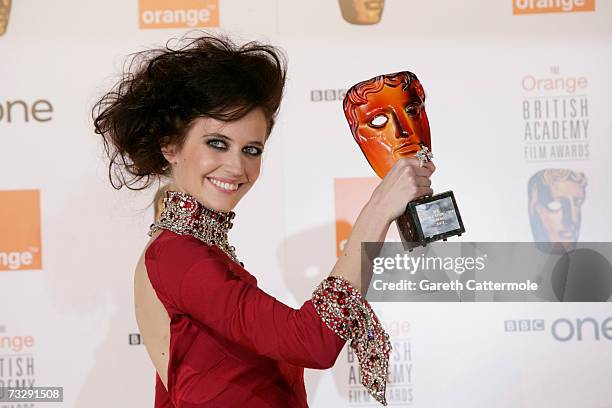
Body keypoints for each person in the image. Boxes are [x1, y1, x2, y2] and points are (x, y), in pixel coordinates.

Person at [92, 33, 434, 407]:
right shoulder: (177, 256)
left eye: (251, 150)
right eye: (217, 143)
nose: (237, 166)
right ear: (170, 146)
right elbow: (312, 341)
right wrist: (377, 210)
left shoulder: (199, 250)